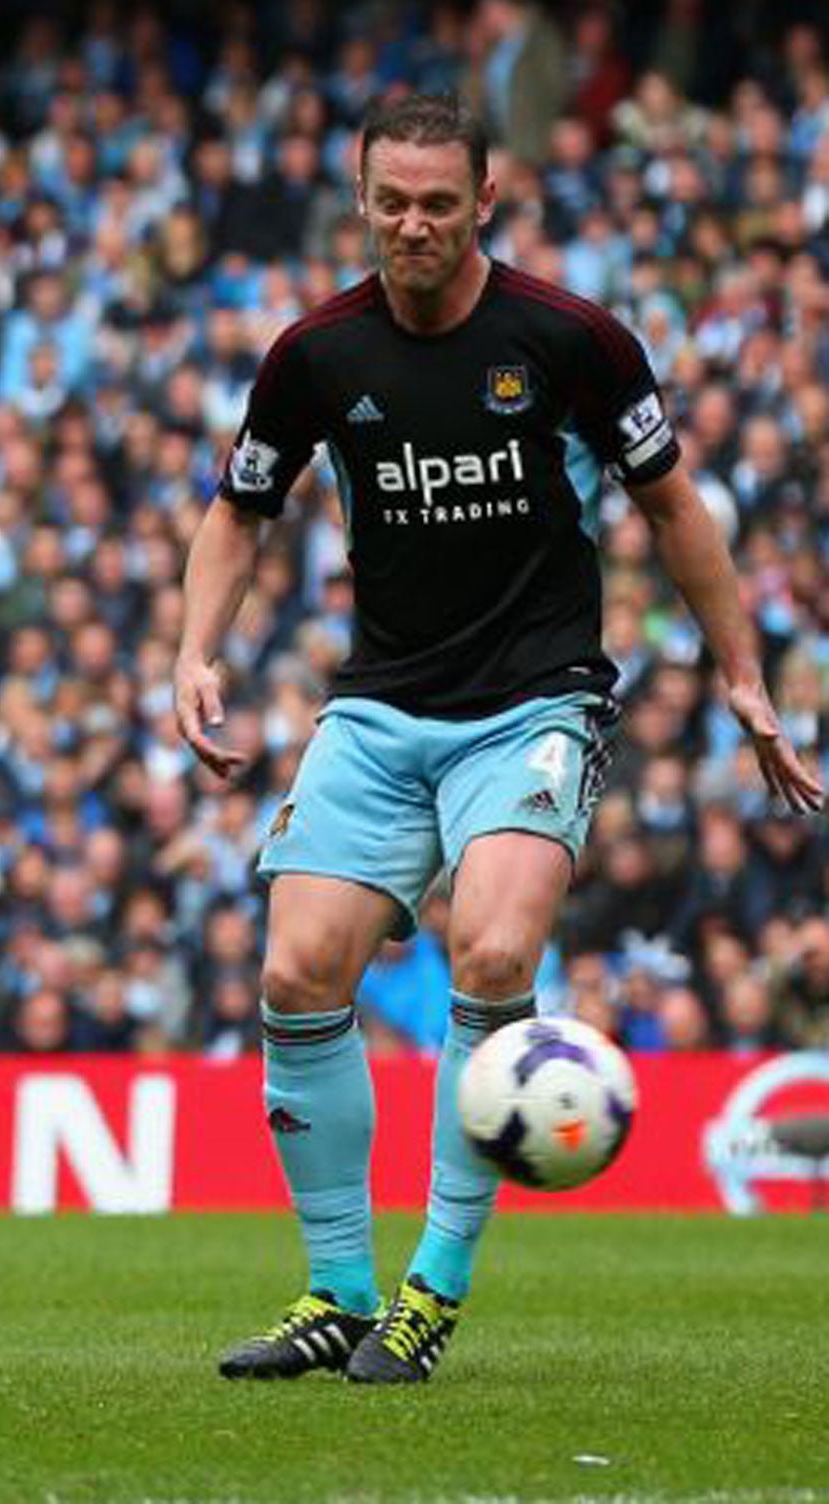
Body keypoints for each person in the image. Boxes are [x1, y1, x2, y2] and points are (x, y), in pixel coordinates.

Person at [175, 92, 822, 1385]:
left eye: (438, 202)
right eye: (391, 201)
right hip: (379, 704)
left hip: (535, 699)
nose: (413, 224)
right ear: (361, 200)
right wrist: (196, 648)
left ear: (485, 202)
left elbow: (676, 508)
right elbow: (240, 511)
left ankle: (432, 1294)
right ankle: (339, 1292)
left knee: (495, 945)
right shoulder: (316, 356)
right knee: (299, 972)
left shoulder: (570, 340)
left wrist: (743, 670)